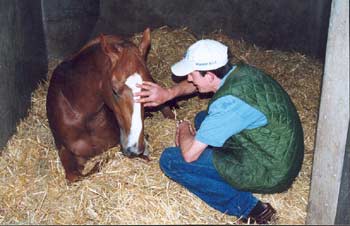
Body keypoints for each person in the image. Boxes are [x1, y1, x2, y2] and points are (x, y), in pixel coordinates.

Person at [135, 39, 304, 224]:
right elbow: (197, 84)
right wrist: (169, 93)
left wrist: (183, 129)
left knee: (172, 160)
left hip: (272, 171)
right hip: (278, 151)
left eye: (192, 75)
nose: (189, 79)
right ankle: (213, 155)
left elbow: (189, 155)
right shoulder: (240, 73)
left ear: (209, 76)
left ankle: (253, 210)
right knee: (202, 118)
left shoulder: (229, 104)